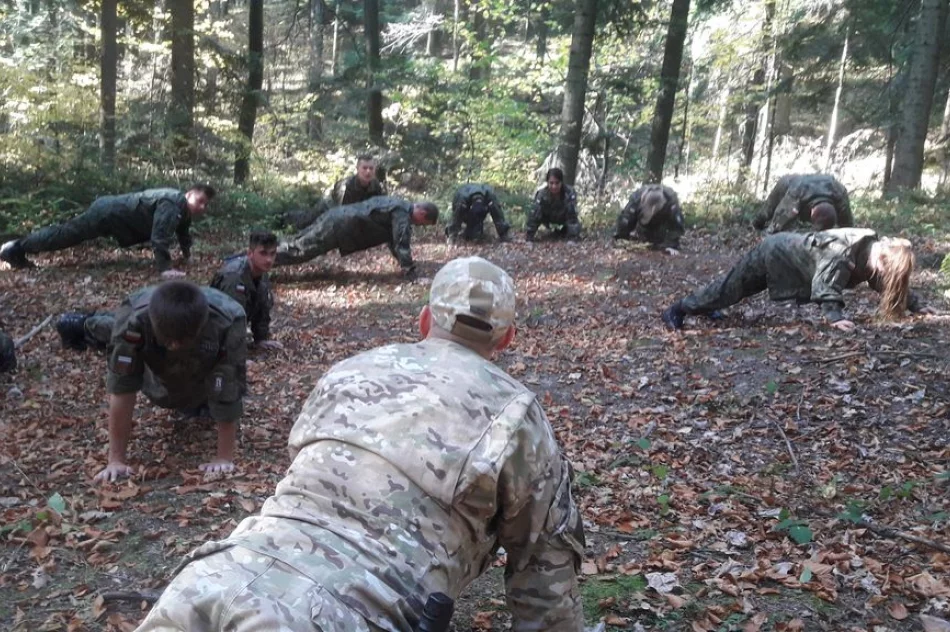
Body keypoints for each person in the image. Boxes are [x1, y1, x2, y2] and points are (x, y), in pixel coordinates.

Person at [134, 256, 585, 632]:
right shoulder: (517, 415)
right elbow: (545, 570)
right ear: (507, 338)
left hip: (214, 577)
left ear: (425, 320)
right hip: (344, 613)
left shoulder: (350, 370)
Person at [55, 281, 247, 481]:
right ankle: (84, 324)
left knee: (194, 392)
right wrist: (116, 460)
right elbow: (123, 385)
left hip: (198, 339)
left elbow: (226, 383)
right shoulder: (133, 318)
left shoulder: (228, 321)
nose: (174, 346)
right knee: (114, 333)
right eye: (169, 341)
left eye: (181, 341)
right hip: (141, 327)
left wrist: (224, 457)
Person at [662, 228, 931, 331]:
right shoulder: (843, 252)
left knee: (732, 292)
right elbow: (825, 285)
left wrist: (917, 305)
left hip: (788, 263)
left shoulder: (871, 253)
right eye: (885, 269)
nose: (882, 275)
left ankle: (706, 307)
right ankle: (678, 309)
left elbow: (885, 282)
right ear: (882, 256)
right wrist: (835, 317)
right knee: (730, 289)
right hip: (774, 253)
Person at [0, 185, 215, 274]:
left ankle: (18, 248)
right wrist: (165, 269)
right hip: (109, 213)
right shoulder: (173, 203)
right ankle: (16, 248)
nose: (202, 207)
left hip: (114, 214)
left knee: (69, 233)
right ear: (189, 194)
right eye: (200, 201)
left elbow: (183, 233)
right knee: (67, 234)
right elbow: (159, 237)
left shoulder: (182, 209)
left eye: (206, 205)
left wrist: (187, 256)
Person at [274, 196, 439, 278]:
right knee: (301, 250)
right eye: (423, 223)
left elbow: (393, 240)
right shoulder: (402, 214)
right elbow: (401, 242)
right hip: (339, 227)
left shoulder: (397, 202)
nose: (420, 225)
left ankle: (264, 250)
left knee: (297, 241)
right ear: (422, 213)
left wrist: (404, 264)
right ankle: (264, 260)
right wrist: (410, 272)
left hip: (336, 216)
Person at [210, 230, 281, 350]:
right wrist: (236, 355)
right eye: (263, 253)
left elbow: (262, 309)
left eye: (272, 254)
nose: (269, 259)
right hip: (211, 337)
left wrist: (261, 338)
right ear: (250, 253)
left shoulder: (261, 272)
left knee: (264, 295)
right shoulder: (234, 277)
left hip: (228, 334)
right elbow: (229, 318)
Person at [752, 174, 853, 234]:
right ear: (812, 212)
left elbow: (848, 226)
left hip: (817, 184)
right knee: (768, 210)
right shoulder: (796, 193)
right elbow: (779, 220)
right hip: (791, 182)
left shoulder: (839, 192)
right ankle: (755, 224)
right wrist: (770, 231)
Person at [614, 184, 685, 253]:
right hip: (641, 222)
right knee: (628, 224)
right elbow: (625, 221)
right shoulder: (636, 199)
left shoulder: (671, 200)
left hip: (660, 221)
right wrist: (621, 241)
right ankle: (641, 233)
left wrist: (671, 245)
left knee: (657, 240)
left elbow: (677, 226)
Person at [526, 167, 581, 242]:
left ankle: (571, 236)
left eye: (557, 183)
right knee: (536, 210)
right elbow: (534, 214)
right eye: (551, 183)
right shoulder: (542, 194)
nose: (554, 186)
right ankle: (530, 236)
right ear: (547, 183)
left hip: (563, 216)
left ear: (561, 182)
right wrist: (529, 235)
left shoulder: (569, 192)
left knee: (571, 209)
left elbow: (573, 214)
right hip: (548, 216)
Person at [446, 183, 511, 243]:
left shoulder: (490, 195)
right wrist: (451, 235)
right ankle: (462, 233)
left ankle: (502, 234)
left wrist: (503, 233)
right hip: (465, 210)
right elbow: (455, 217)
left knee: (494, 207)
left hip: (480, 209)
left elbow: (498, 215)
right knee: (460, 210)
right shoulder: (462, 198)